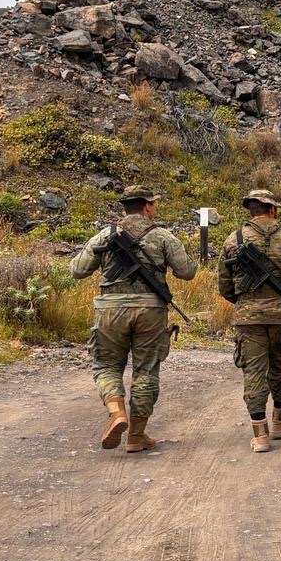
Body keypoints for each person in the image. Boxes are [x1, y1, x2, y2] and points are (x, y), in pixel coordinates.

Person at [69, 185, 197, 453]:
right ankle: (137, 436)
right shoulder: (162, 236)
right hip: (150, 310)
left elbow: (78, 270)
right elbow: (187, 271)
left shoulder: (106, 235)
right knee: (146, 370)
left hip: (109, 310)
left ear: (125, 207)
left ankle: (116, 411)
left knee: (106, 366)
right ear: (148, 207)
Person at [218, 189, 281, 454]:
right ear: (272, 210)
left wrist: (247, 304)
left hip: (248, 319)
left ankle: (260, 435)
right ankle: (280, 421)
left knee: (254, 371)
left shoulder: (233, 239)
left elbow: (225, 286)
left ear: (251, 211)